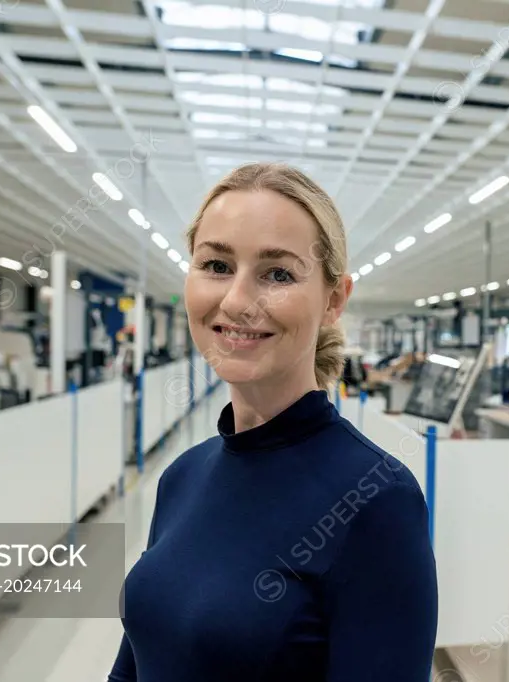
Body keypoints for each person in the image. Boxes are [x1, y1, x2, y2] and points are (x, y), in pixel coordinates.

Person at [108, 163, 438, 681]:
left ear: (334, 299)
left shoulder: (376, 500)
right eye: (216, 265)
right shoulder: (182, 477)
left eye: (278, 274)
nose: (237, 300)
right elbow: (132, 669)